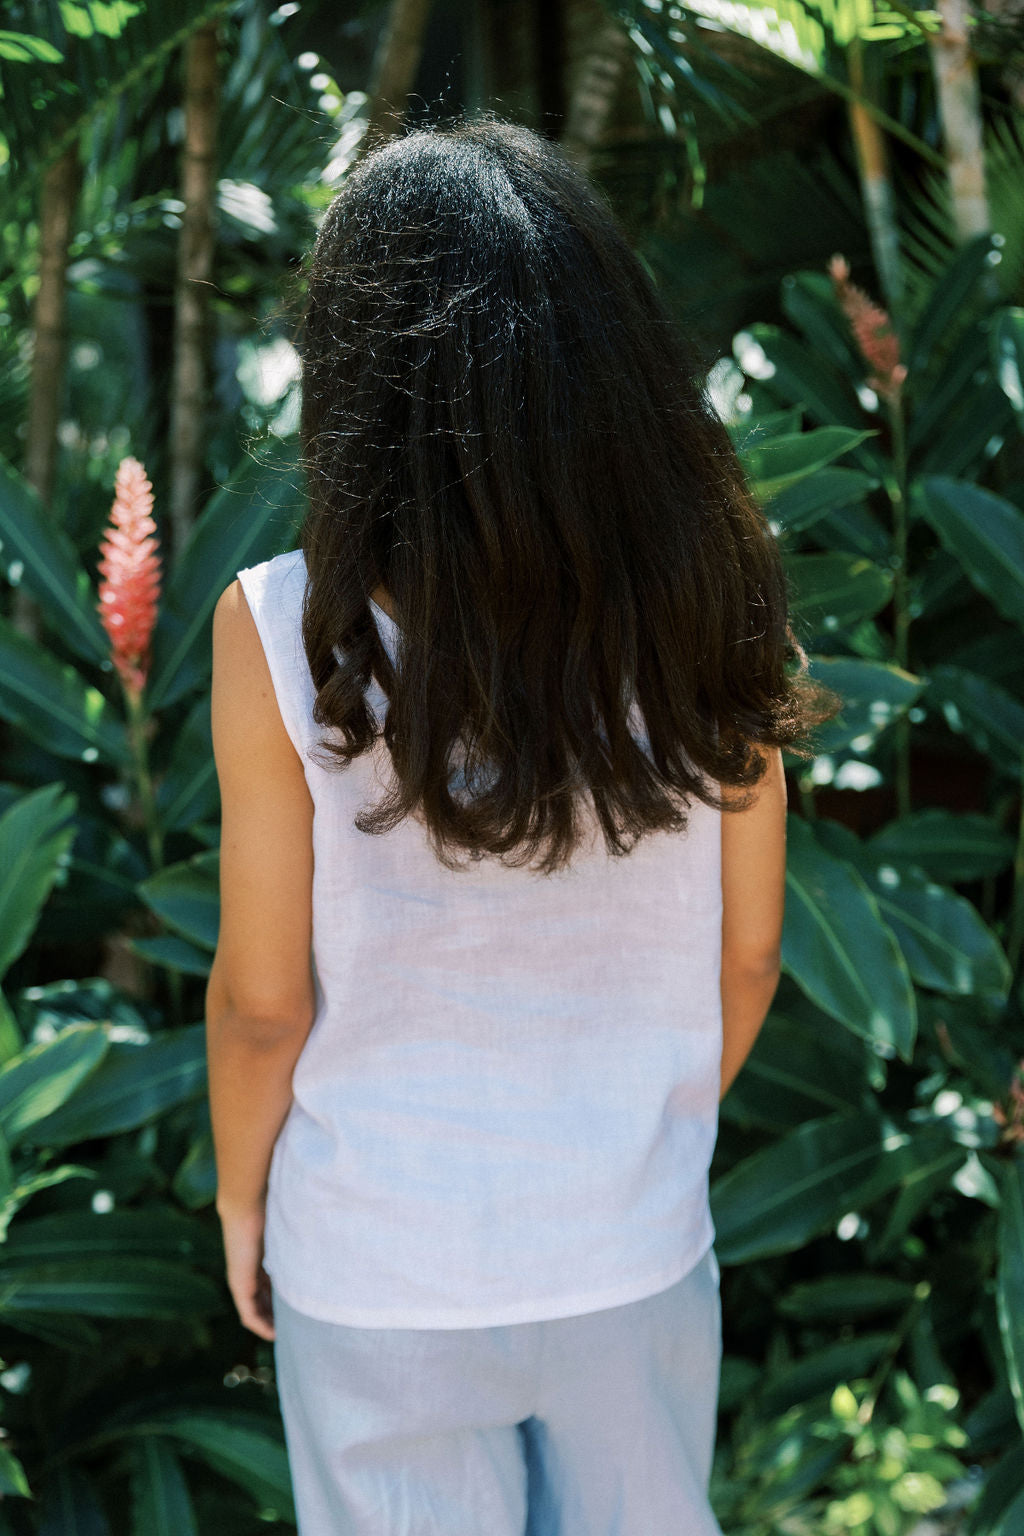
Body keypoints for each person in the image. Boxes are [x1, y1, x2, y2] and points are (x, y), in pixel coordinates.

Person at [205, 116, 827, 1536]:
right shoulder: (707, 591)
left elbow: (259, 1001)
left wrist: (243, 1202)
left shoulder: (278, 629)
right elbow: (746, 958)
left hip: (375, 1268)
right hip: (630, 1243)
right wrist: (631, 1139)